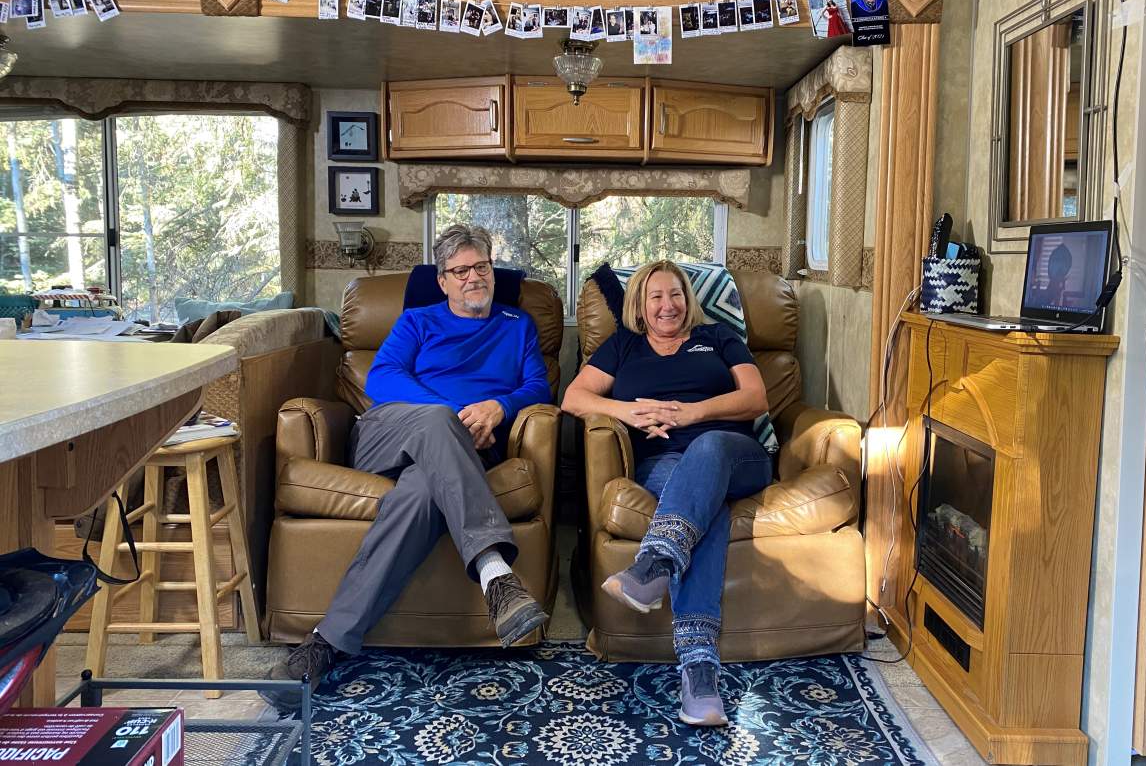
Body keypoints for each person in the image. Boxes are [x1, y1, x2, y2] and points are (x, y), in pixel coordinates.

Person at [261, 224, 552, 710]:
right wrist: (455, 415)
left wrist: (499, 407)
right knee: (437, 422)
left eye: (481, 267)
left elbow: (538, 387)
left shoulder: (516, 325)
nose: (474, 277)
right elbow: (382, 377)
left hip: (459, 454)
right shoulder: (418, 321)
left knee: (419, 494)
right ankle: (494, 570)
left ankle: (325, 643)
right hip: (390, 435)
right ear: (443, 281)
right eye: (460, 270)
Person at [561, 261, 773, 727]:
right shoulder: (624, 346)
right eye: (655, 296)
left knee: (708, 448)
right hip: (664, 466)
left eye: (675, 294)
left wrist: (691, 414)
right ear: (639, 305)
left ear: (688, 298)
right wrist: (629, 412)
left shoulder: (718, 337)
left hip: (735, 454)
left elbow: (756, 398)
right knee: (707, 508)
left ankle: (655, 562)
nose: (667, 305)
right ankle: (699, 673)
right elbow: (574, 398)